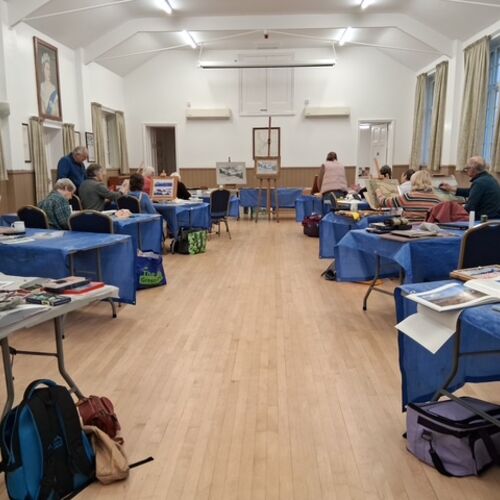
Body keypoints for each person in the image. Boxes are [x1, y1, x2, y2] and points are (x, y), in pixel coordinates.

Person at [439, 156, 500, 220]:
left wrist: (456, 208)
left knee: (446, 214)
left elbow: (469, 208)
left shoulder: (479, 182)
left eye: (467, 168)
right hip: (495, 218)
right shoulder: (489, 179)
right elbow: (472, 191)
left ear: (472, 169)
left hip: (484, 220)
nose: (466, 170)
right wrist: (451, 188)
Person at [375, 169, 442, 220]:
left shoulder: (409, 197)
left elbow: (384, 202)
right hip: (428, 231)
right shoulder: (437, 200)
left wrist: (378, 192)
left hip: (409, 229)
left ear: (414, 181)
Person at [40, 52, 59, 117]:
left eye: (49, 69)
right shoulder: (41, 87)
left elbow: (57, 110)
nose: (49, 72)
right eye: (47, 69)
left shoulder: (54, 88)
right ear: (43, 70)